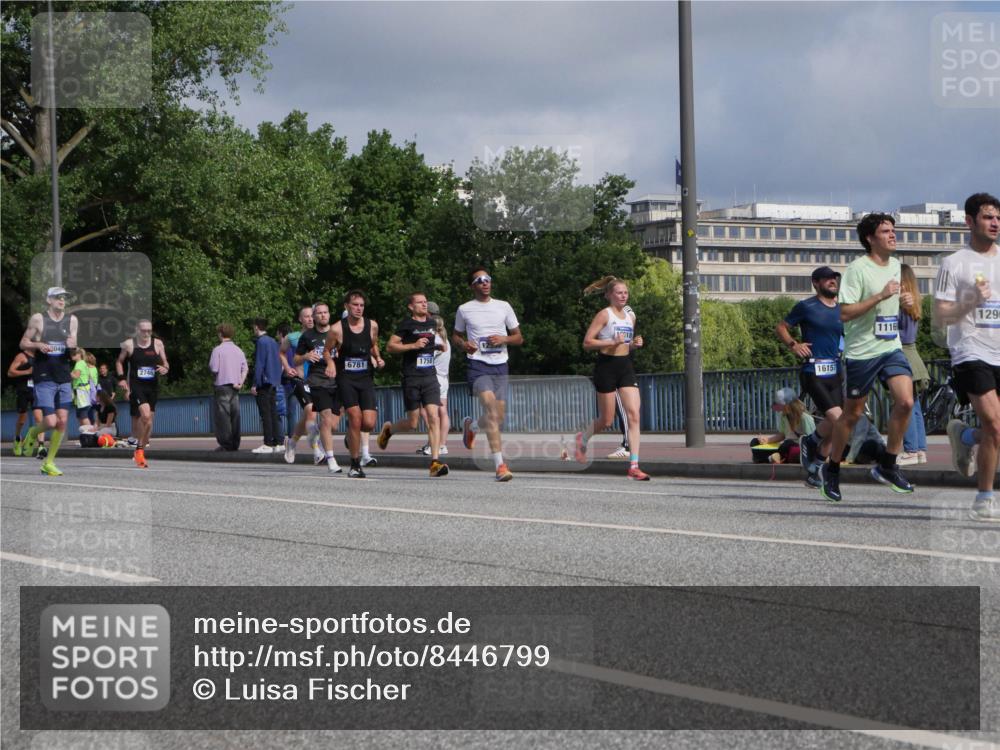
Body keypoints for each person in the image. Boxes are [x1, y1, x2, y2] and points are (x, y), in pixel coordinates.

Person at [818, 213, 915, 503]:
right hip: (862, 352)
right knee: (852, 415)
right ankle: (831, 469)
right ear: (870, 238)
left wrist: (904, 302)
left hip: (890, 347)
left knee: (906, 401)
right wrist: (879, 295)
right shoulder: (857, 269)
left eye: (893, 230)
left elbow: (890, 304)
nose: (892, 235)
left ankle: (888, 464)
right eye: (885, 231)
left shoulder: (897, 266)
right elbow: (845, 313)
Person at [934, 192, 1000, 521]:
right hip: (970, 350)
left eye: (998, 218)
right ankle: (984, 499)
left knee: (995, 430)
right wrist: (971, 300)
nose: (995, 223)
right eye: (988, 217)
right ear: (970, 221)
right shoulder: (954, 263)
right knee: (995, 424)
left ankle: (964, 436)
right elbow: (942, 313)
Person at [575, 276, 649, 480]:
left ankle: (634, 465)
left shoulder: (629, 316)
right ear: (609, 295)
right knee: (606, 420)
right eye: (619, 293)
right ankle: (582, 439)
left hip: (625, 367)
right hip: (606, 367)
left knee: (634, 415)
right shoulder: (604, 315)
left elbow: (626, 344)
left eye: (625, 293)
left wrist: (635, 344)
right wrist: (610, 341)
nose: (623, 296)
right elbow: (587, 343)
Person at [775, 266, 845, 486]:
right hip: (812, 371)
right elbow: (781, 327)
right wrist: (793, 344)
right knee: (839, 421)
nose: (832, 281)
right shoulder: (806, 306)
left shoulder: (843, 310)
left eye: (834, 278)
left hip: (835, 371)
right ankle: (813, 442)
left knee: (837, 425)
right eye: (827, 279)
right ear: (816, 283)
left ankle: (815, 468)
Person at [453, 268, 523, 482]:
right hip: (478, 365)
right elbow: (455, 336)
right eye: (479, 280)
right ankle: (500, 465)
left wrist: (504, 339)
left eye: (488, 279)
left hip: (501, 366)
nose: (485, 283)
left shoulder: (503, 306)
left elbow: (519, 338)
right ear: (472, 286)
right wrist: (465, 345)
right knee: (492, 412)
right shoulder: (464, 309)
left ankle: (472, 426)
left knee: (498, 417)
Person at [376, 292, 449, 477]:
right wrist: (412, 346)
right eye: (420, 302)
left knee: (433, 417)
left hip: (430, 376)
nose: (424, 305)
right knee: (413, 423)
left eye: (426, 302)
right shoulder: (406, 324)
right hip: (412, 377)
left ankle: (435, 463)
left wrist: (436, 347)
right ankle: (389, 430)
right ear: (411, 306)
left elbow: (428, 345)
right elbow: (391, 347)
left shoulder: (432, 323)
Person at [19, 286, 78, 476]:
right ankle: (33, 433)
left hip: (63, 376)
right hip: (44, 376)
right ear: (49, 300)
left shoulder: (72, 320)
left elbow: (74, 350)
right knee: (51, 422)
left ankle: (48, 463)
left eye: (64, 297)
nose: (62, 300)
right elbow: (23, 343)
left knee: (62, 421)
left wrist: (73, 347)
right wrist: (37, 344)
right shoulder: (38, 319)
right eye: (58, 297)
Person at [328, 291, 383, 478]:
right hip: (346, 378)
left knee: (368, 423)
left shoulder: (372, 325)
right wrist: (330, 364)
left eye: (361, 305)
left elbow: (373, 344)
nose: (359, 308)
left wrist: (378, 357)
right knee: (354, 416)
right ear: (347, 306)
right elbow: (327, 351)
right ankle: (355, 465)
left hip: (366, 377)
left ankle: (351, 436)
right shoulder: (337, 329)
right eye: (355, 305)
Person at [295, 302, 343, 473]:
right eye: (319, 313)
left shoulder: (337, 332)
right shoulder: (307, 336)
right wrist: (306, 356)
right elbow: (296, 359)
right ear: (314, 317)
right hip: (317, 381)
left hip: (337, 381)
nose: (323, 315)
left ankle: (315, 430)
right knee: (326, 417)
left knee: (333, 425)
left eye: (325, 312)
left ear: (329, 314)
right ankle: (331, 460)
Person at [117, 320, 169, 468]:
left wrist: (165, 368)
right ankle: (139, 450)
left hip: (152, 386)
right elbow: (119, 362)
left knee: (149, 421)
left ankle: (140, 448)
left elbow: (165, 363)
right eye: (143, 330)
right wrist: (121, 379)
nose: (146, 333)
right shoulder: (129, 344)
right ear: (137, 330)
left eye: (149, 331)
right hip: (137, 386)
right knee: (145, 415)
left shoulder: (157, 344)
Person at [283, 305, 322, 464]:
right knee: (311, 411)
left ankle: (292, 443)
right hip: (299, 379)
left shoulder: (321, 335)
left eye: (312, 316)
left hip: (317, 380)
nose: (310, 319)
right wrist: (287, 368)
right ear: (300, 319)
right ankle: (317, 450)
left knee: (307, 416)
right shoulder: (293, 337)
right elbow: (281, 352)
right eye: (306, 316)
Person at [898, 264, 929, 465]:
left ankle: (910, 450)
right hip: (914, 356)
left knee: (904, 404)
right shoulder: (914, 301)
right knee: (914, 405)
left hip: (903, 356)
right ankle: (919, 450)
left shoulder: (901, 303)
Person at [417, 302, 451, 457]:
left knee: (427, 412)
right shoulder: (445, 338)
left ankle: (433, 444)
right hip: (444, 378)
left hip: (433, 377)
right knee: (442, 411)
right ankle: (441, 444)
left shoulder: (433, 338)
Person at [209, 322, 247, 452]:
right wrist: (241, 382)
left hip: (222, 385)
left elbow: (214, 368)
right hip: (235, 387)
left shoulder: (217, 350)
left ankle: (226, 444)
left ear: (220, 334)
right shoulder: (238, 350)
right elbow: (245, 368)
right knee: (235, 415)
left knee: (223, 416)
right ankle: (235, 443)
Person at [754, 387, 817, 464]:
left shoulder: (805, 418)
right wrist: (767, 440)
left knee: (788, 445)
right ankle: (775, 457)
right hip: (786, 447)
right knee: (755, 442)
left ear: (789, 405)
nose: (778, 407)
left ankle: (774, 457)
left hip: (798, 447)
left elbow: (812, 440)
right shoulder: (783, 416)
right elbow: (782, 435)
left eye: (780, 405)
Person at [250, 318, 283, 454]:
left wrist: (255, 384)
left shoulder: (261, 342)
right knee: (273, 412)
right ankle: (278, 442)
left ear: (257, 327)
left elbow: (259, 363)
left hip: (264, 381)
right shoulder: (273, 341)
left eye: (253, 327)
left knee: (265, 414)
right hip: (274, 381)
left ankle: (267, 443)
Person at [7, 349, 36, 456]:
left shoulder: (41, 355)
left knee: (39, 418)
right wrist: (27, 372)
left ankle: (32, 441)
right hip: (23, 389)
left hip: (37, 389)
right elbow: (10, 372)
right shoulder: (21, 356)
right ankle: (17, 438)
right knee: (22, 419)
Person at [71, 348, 94, 428]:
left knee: (83, 415)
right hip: (82, 391)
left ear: (79, 355)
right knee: (80, 415)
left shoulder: (79, 363)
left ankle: (90, 434)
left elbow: (76, 376)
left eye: (74, 354)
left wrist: (67, 372)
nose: (72, 355)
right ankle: (85, 434)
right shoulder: (83, 363)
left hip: (81, 391)